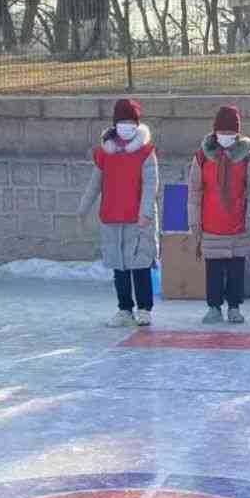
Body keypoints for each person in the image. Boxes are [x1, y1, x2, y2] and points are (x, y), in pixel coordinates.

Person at [77, 98, 159, 327]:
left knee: (140, 266)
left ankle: (144, 309)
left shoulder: (145, 152)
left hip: (138, 220)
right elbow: (95, 184)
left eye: (130, 122)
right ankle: (125, 309)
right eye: (121, 122)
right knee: (119, 268)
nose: (126, 126)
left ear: (137, 124)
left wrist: (146, 214)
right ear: (115, 124)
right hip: (112, 218)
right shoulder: (105, 153)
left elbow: (151, 185)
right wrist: (83, 208)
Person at [187, 105, 250, 324]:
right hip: (211, 223)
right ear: (215, 132)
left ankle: (235, 307)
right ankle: (214, 307)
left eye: (231, 133)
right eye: (223, 133)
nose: (227, 137)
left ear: (237, 133)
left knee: (237, 269)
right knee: (214, 271)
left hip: (238, 223)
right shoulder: (202, 157)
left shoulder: (246, 156)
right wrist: (194, 221)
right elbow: (194, 191)